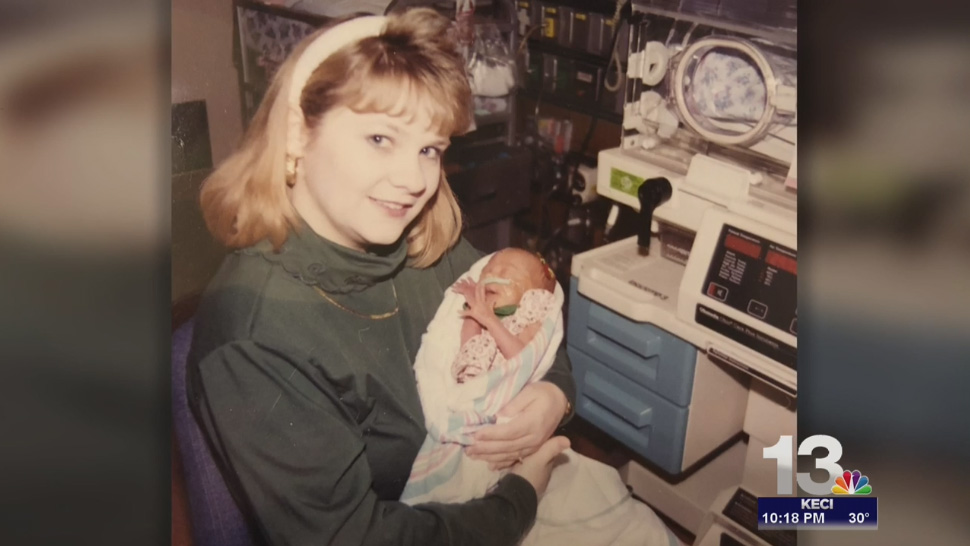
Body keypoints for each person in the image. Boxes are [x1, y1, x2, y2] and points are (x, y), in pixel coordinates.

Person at [186, 8, 574, 546]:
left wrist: (555, 395)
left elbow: (534, 305)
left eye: (429, 149)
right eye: (379, 140)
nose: (413, 179)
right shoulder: (254, 337)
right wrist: (518, 499)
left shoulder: (422, 242)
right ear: (299, 132)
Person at [399, 250, 684, 546]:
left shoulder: (521, 321)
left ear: (528, 297)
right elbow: (464, 351)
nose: (494, 272)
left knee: (632, 525)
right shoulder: (478, 312)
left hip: (513, 422)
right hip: (470, 437)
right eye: (490, 270)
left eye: (509, 274)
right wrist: (473, 313)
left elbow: (524, 359)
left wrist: (556, 395)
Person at [452, 248, 558, 383]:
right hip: (476, 388)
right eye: (486, 271)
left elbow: (524, 359)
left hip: (511, 390)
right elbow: (468, 351)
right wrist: (474, 310)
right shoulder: (483, 314)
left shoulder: (526, 318)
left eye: (505, 273)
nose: (491, 276)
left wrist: (490, 321)